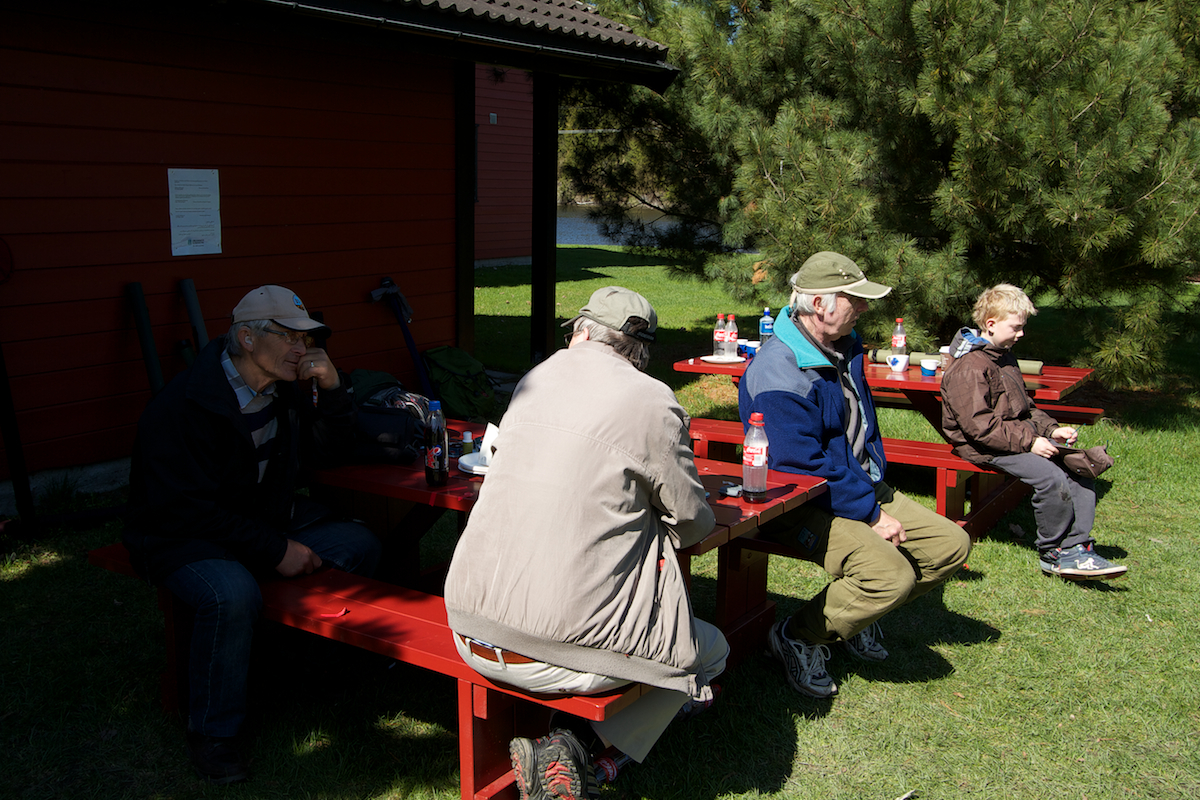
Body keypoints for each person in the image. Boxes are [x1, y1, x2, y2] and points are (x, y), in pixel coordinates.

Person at [444, 287, 728, 800]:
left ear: (580, 332)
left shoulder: (534, 379)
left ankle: (569, 749)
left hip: (468, 627)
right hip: (558, 652)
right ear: (641, 349)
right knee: (708, 650)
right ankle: (582, 750)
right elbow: (692, 522)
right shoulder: (652, 400)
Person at [124, 285, 381, 784]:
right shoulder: (182, 406)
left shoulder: (282, 391)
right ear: (246, 338)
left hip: (256, 521)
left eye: (306, 340)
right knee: (232, 593)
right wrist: (274, 548)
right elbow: (186, 510)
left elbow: (329, 454)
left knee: (358, 545)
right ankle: (213, 735)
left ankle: (305, 670)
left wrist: (333, 391)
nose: (301, 350)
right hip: (179, 536)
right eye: (289, 337)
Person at [738, 252, 971, 699]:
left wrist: (870, 493)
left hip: (855, 484)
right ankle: (796, 636)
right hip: (799, 500)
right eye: (855, 299)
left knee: (950, 546)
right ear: (819, 304)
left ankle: (853, 616)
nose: (864, 308)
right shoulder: (778, 371)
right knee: (890, 577)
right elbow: (798, 467)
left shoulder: (842, 345)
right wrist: (870, 514)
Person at [939, 283, 1127, 580]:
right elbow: (979, 427)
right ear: (991, 324)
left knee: (1080, 467)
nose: (1021, 333)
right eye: (1016, 327)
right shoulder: (970, 367)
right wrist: (1031, 443)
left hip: (1013, 436)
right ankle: (1053, 552)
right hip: (984, 446)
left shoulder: (1004, 356)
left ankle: (1076, 546)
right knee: (1051, 477)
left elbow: (1025, 407)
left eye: (1022, 327)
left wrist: (1052, 430)